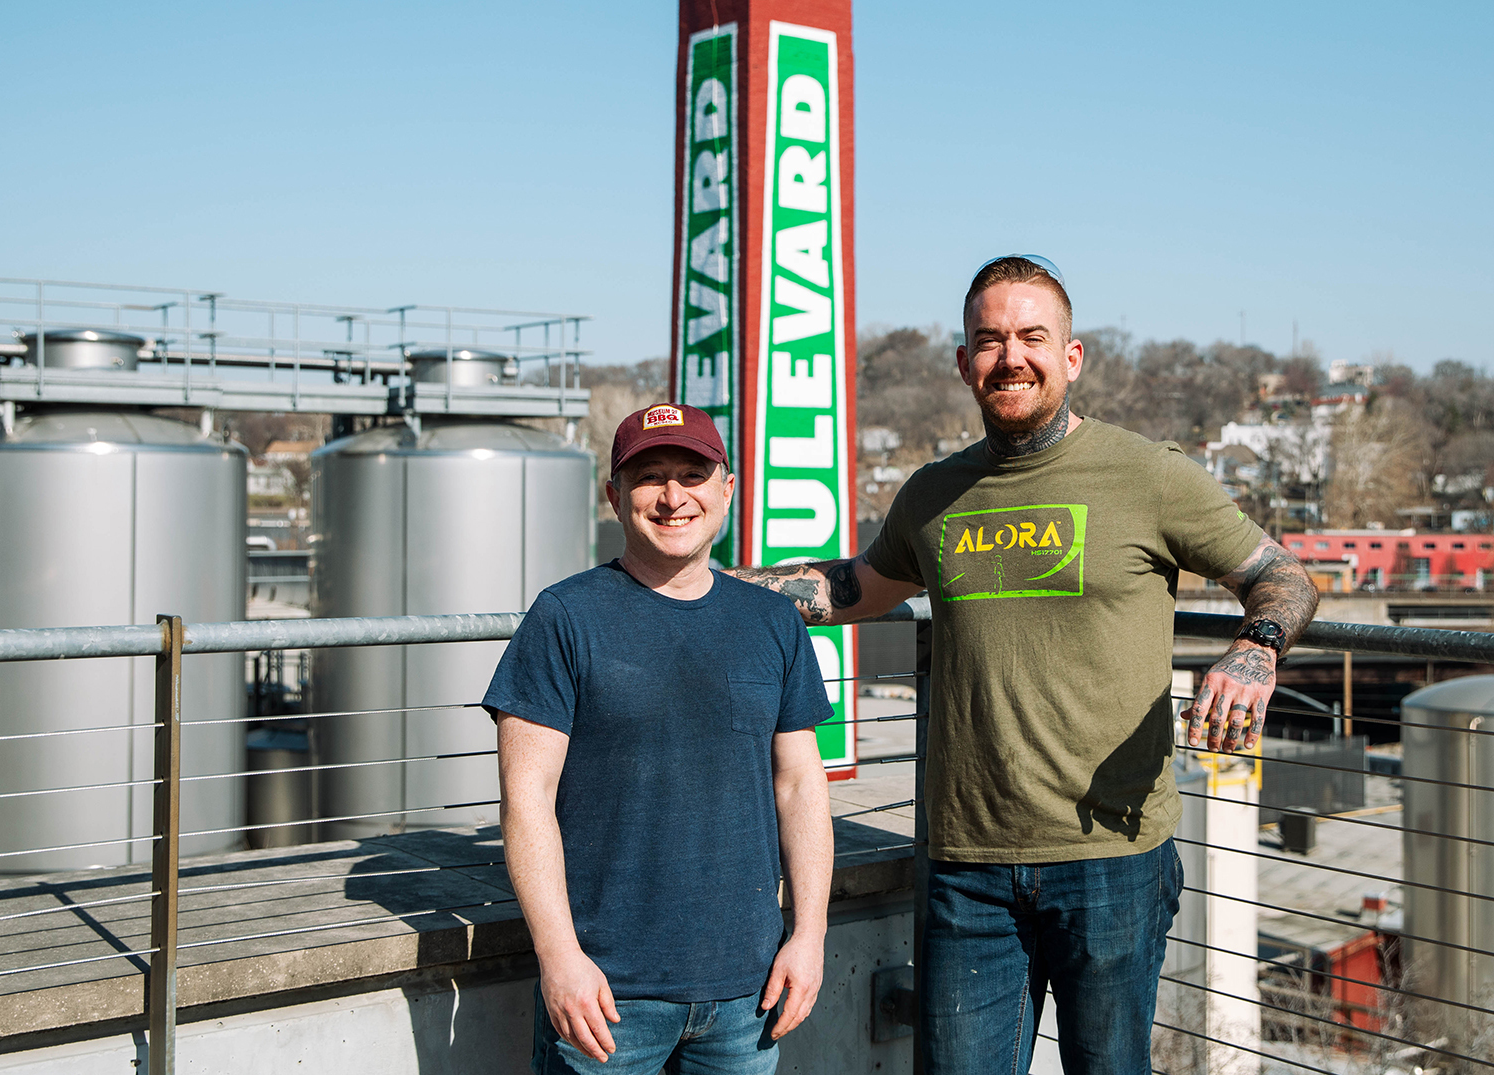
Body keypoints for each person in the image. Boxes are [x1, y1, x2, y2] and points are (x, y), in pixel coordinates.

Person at [728, 256, 1318, 1074]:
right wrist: (709, 585)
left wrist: (1256, 650)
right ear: (965, 361)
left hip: (1111, 858)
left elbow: (1281, 575)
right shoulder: (934, 492)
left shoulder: (1149, 474)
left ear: (1071, 357)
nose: (1011, 356)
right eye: (989, 339)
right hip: (966, 866)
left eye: (1032, 337)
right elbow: (855, 584)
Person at [486, 402, 835, 1074]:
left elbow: (799, 786)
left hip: (748, 991)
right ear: (614, 495)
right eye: (650, 478)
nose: (674, 496)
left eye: (692, 474)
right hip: (606, 996)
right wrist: (558, 956)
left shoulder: (773, 622)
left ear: (726, 490)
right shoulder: (564, 616)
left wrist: (811, 934)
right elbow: (525, 798)